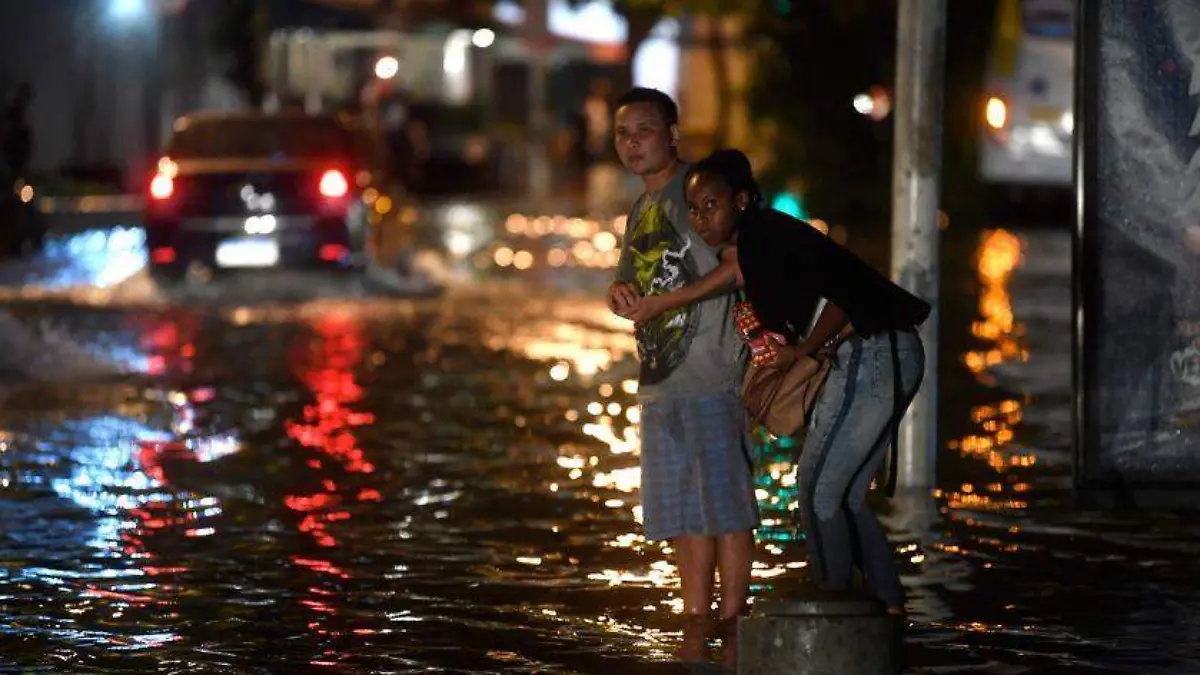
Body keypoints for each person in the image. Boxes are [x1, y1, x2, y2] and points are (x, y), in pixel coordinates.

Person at [675, 148, 931, 618]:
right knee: (842, 494)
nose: (701, 218)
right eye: (694, 208)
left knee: (821, 491)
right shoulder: (762, 242)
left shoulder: (764, 239)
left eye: (711, 205)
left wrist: (806, 349)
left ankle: (832, 606)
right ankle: (888, 609)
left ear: (743, 200)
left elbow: (843, 298)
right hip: (880, 353)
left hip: (873, 351)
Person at [605, 89, 757, 660]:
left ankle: (736, 627)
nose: (632, 142)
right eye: (623, 134)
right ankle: (696, 631)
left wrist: (666, 304)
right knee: (682, 514)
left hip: (714, 373)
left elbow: (741, 267)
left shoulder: (699, 189)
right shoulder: (641, 209)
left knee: (726, 505)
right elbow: (628, 281)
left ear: (672, 133)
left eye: (645, 130)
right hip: (660, 380)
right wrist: (619, 294)